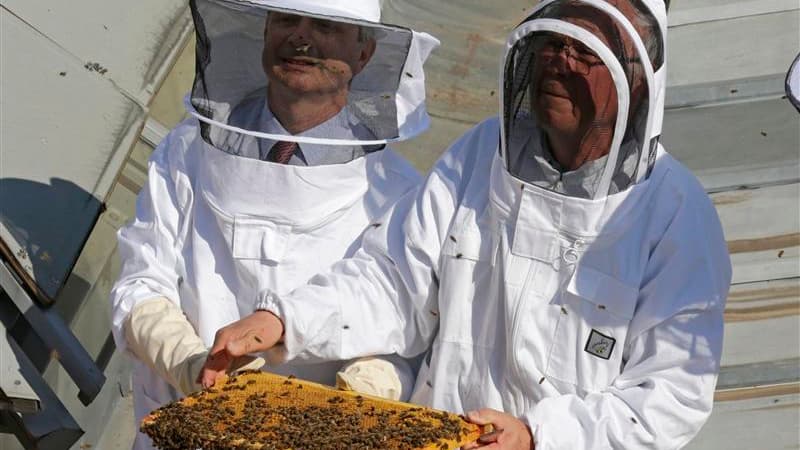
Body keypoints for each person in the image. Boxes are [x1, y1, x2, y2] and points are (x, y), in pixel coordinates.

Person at [202, 0, 732, 449]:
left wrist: (536, 435)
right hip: (439, 433)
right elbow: (394, 280)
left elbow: (670, 397)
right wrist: (285, 321)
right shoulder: (481, 153)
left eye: (585, 53)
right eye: (554, 44)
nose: (559, 64)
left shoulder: (676, 216)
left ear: (637, 82)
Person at [109, 0, 439, 448]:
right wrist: (189, 362)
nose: (301, 38)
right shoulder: (186, 151)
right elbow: (141, 284)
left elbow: (410, 330)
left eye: (324, 25)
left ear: (364, 54)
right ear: (264, 33)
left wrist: (371, 383)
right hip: (181, 427)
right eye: (286, 20)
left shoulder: (400, 193)